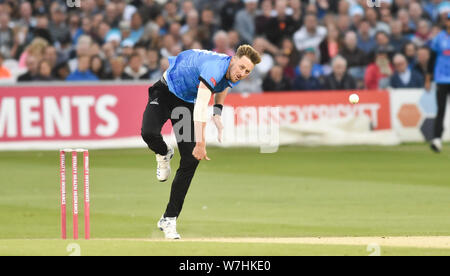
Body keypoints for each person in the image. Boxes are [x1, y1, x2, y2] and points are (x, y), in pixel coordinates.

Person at [141, 46, 261, 239]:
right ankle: (164, 152)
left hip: (185, 103)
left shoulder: (233, 70)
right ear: (233, 59)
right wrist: (201, 143)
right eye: (241, 67)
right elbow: (201, 108)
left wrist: (218, 112)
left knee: (190, 160)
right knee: (149, 133)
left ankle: (169, 219)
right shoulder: (215, 68)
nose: (242, 73)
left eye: (247, 71)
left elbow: (224, 86)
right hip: (165, 91)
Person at [429, 14, 450, 153]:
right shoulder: (439, 38)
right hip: (442, 79)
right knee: (441, 109)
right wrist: (428, 78)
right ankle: (437, 139)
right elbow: (432, 59)